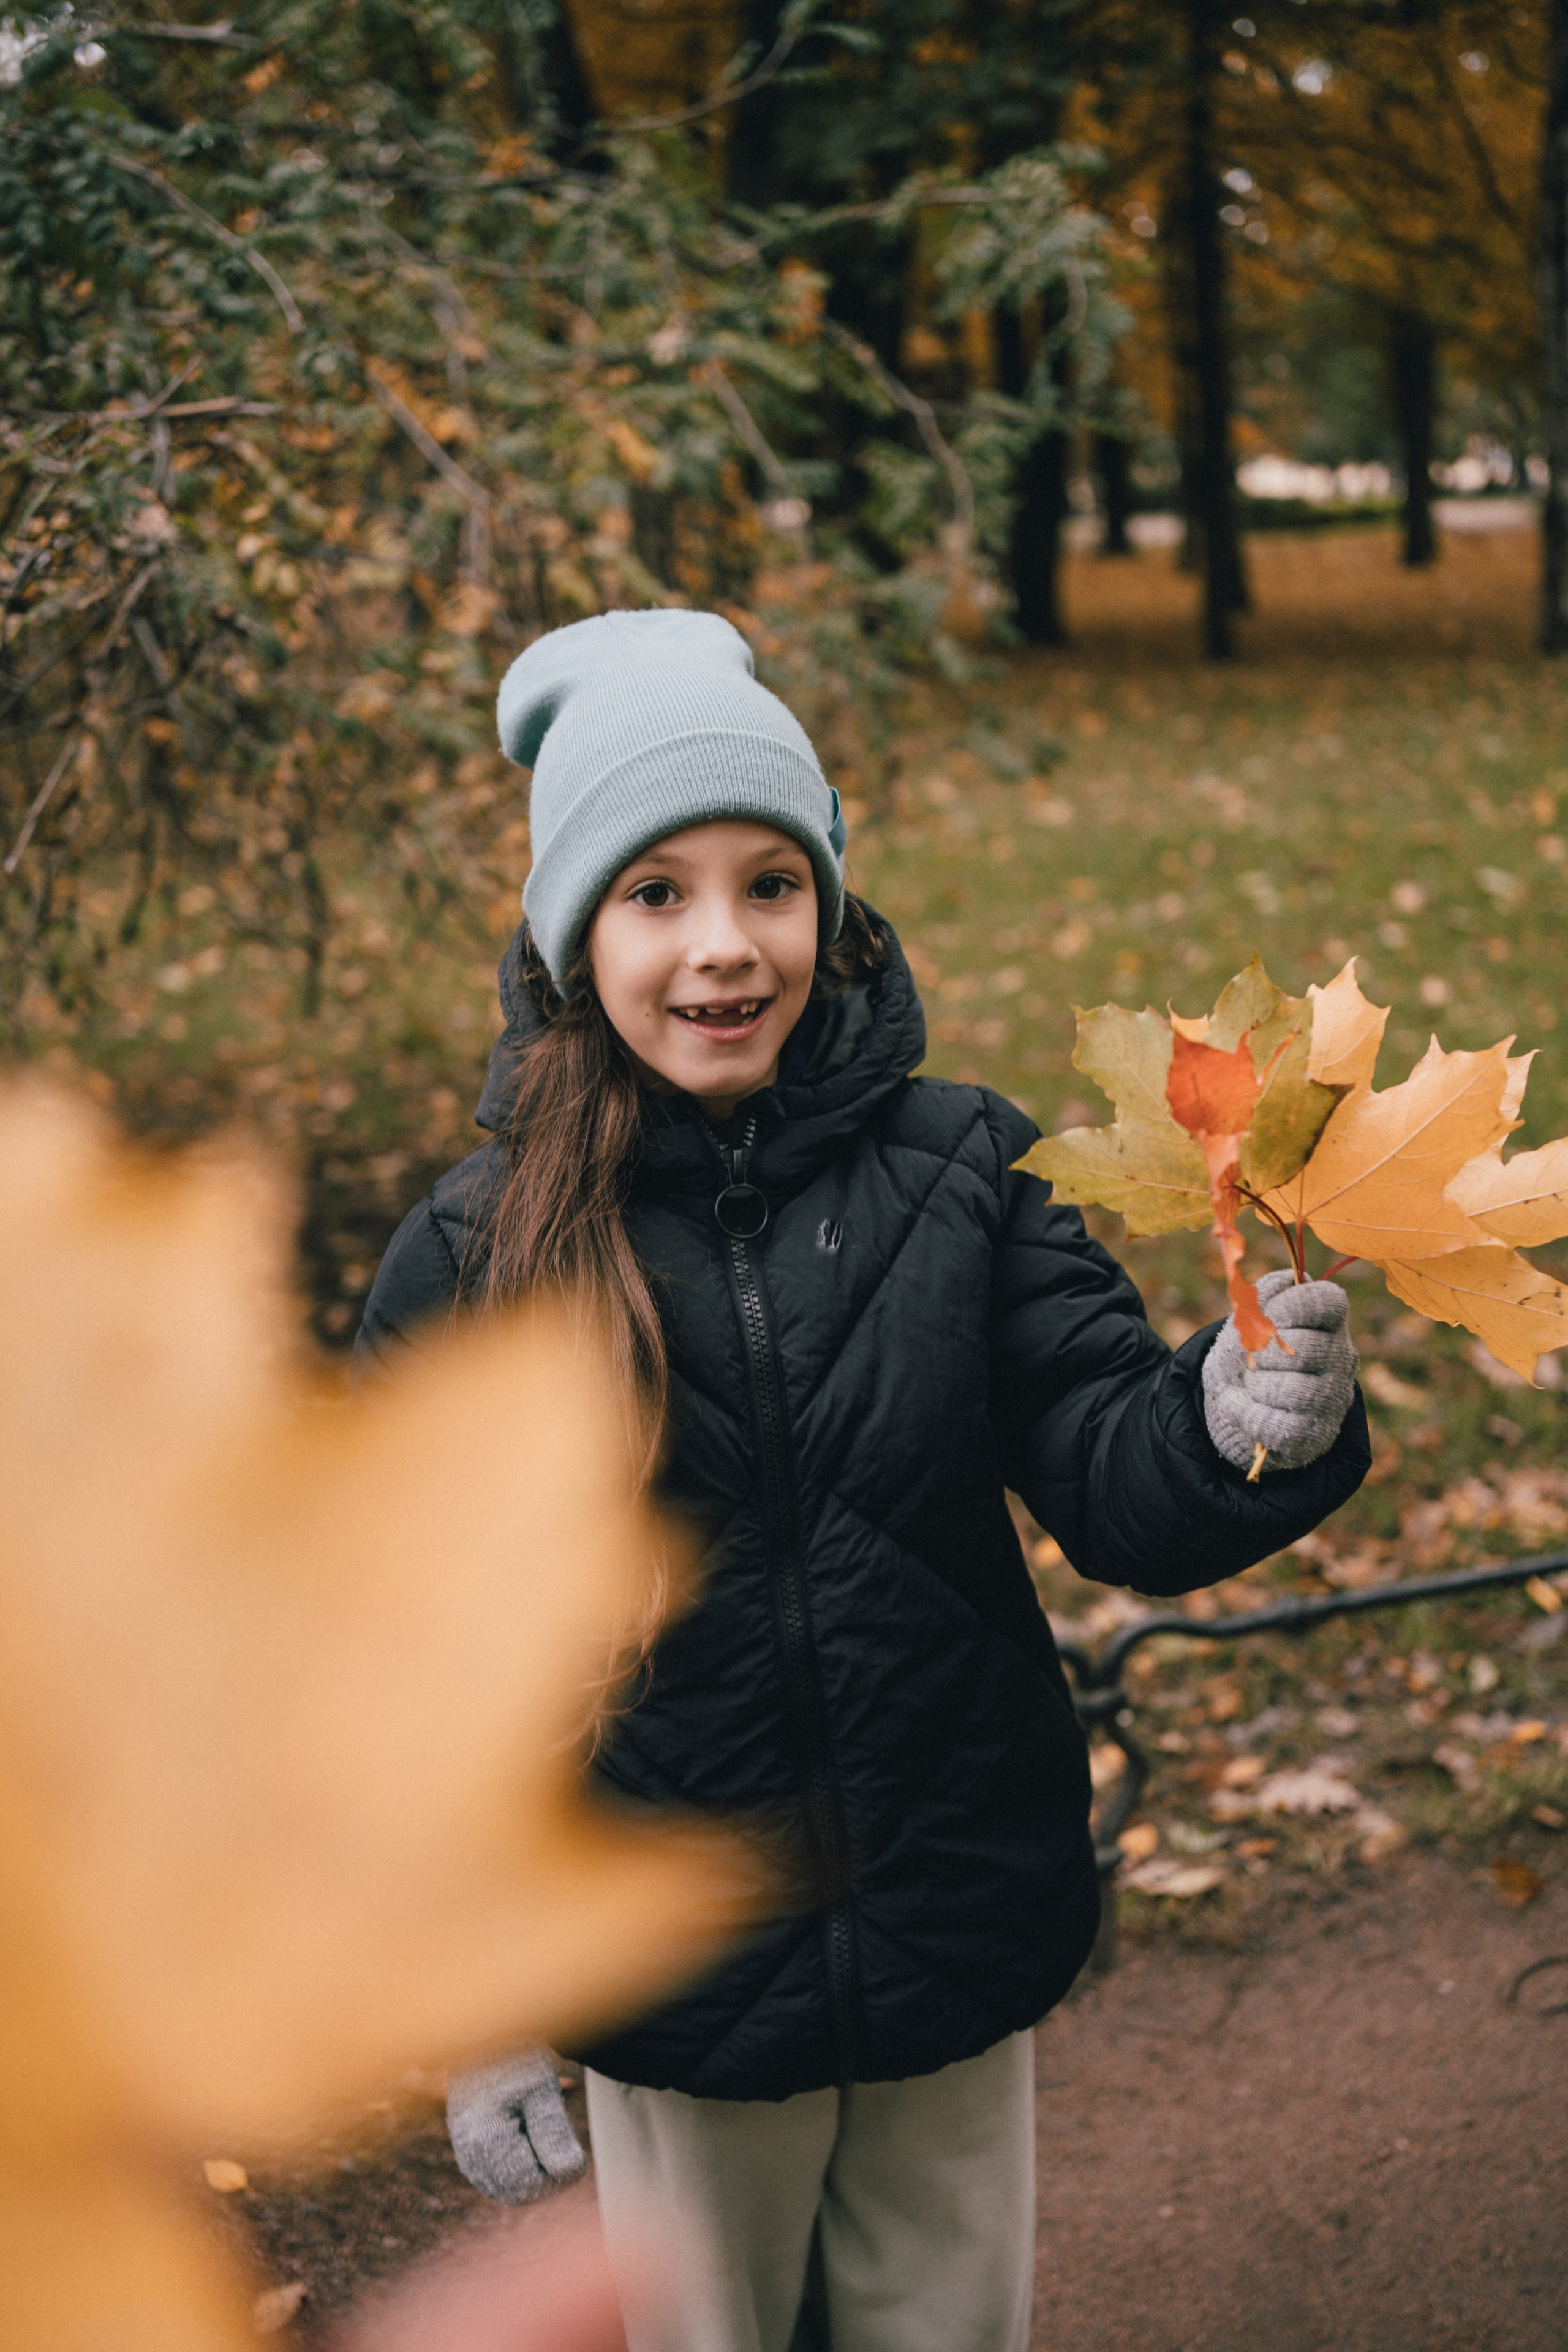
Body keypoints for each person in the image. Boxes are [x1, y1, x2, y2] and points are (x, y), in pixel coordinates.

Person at [355, 609, 1370, 2352]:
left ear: (832, 904)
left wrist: (1237, 1419)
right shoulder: (478, 1257)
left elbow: (1118, 1474)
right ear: (568, 931)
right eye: (654, 892)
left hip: (952, 1913)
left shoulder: (962, 1173)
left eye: (773, 882)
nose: (724, 945)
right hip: (671, 1976)